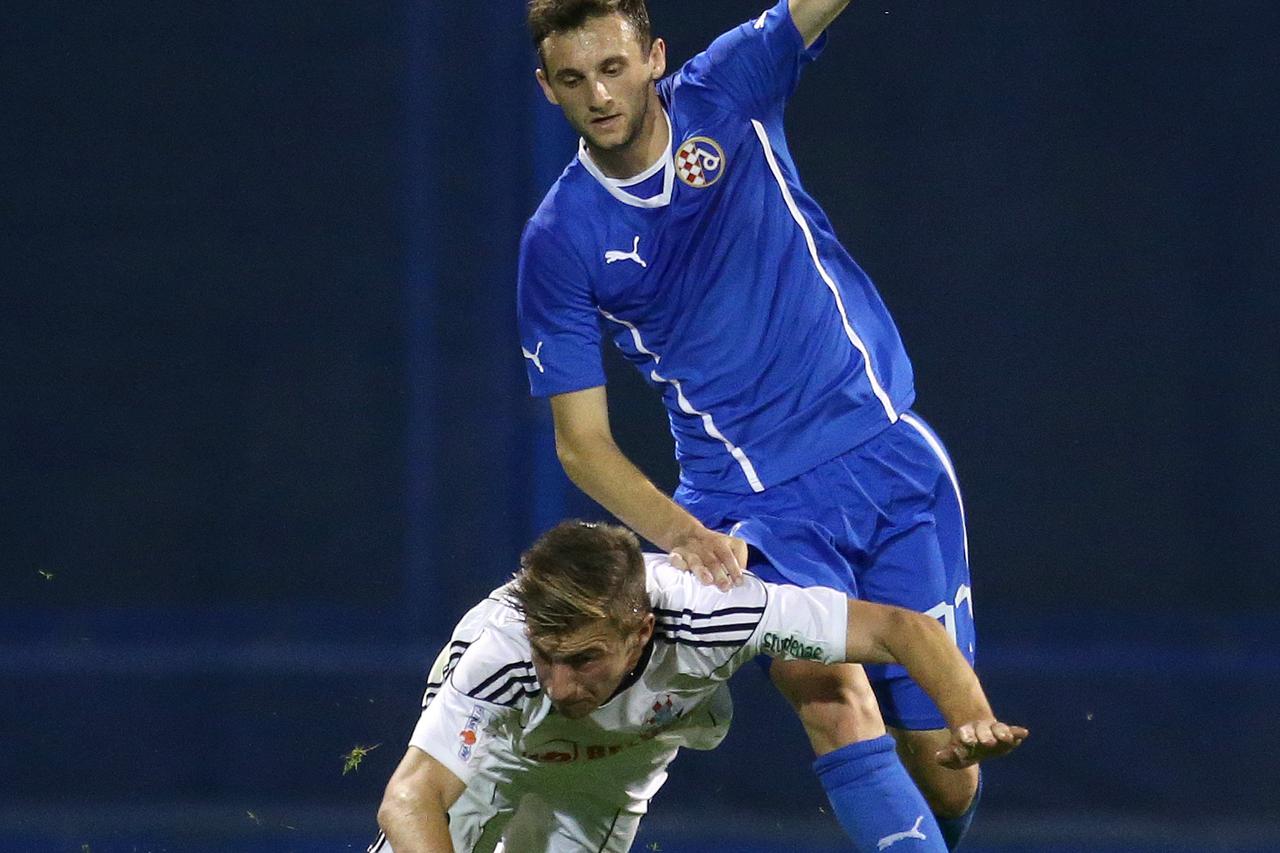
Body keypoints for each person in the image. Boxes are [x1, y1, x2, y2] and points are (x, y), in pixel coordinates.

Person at [517, 0, 987, 847]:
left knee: (947, 764)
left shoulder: (730, 87)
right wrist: (684, 533)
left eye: (614, 68)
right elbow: (580, 443)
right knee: (828, 694)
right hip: (752, 502)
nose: (600, 95)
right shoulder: (559, 238)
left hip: (885, 452)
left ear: (655, 57)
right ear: (548, 88)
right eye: (574, 79)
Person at [371, 522, 1025, 853]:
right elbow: (408, 798)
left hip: (612, 766)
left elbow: (899, 629)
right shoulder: (505, 656)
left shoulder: (714, 610)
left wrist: (970, 714)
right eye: (548, 657)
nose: (561, 684)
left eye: (584, 659)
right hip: (502, 742)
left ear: (641, 628)